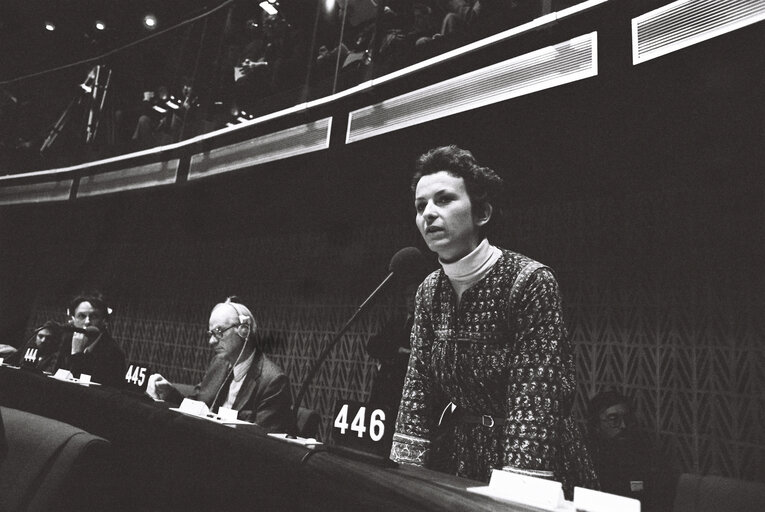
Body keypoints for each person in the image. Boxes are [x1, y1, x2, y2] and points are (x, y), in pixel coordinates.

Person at [391, 145, 598, 498]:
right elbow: (417, 388)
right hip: (460, 455)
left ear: (482, 212)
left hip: (535, 462)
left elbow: (535, 397)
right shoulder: (428, 290)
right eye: (420, 205)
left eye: (443, 200)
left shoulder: (529, 280)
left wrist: (516, 492)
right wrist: (402, 478)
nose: (429, 213)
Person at [148, 298, 294, 433]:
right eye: (211, 334)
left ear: (244, 331)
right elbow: (198, 404)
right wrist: (170, 394)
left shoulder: (273, 381)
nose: (212, 341)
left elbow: (264, 443)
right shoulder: (218, 364)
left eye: (219, 332)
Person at [586, 391, 675, 511]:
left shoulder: (646, 457)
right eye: (613, 420)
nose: (623, 425)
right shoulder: (585, 458)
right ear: (596, 425)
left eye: (627, 419)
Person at [54, 294, 127, 388]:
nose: (87, 321)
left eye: (94, 316)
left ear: (104, 321)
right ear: (73, 320)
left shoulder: (114, 353)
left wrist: (76, 354)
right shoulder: (67, 339)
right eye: (81, 316)